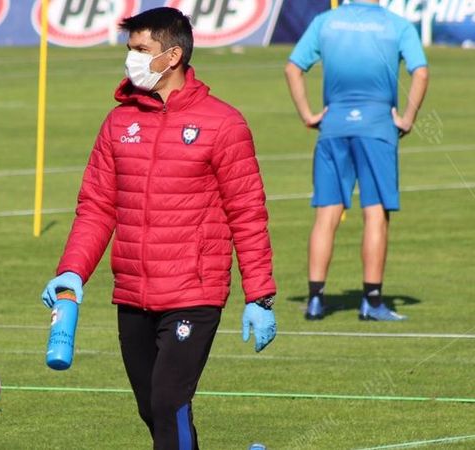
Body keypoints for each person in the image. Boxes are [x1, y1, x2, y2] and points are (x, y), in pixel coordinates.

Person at [40, 7, 277, 449]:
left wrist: (259, 295)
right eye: (129, 50)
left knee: (169, 401)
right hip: (132, 293)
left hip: (194, 291)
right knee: (153, 408)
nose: (130, 59)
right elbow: (95, 207)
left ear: (172, 56)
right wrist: (72, 270)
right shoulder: (117, 122)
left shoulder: (223, 124)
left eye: (140, 50)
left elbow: (247, 212)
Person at [284, 0, 428, 321]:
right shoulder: (397, 24)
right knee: (375, 213)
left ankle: (316, 301)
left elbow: (292, 68)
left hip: (334, 126)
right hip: (378, 127)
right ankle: (372, 301)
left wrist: (308, 114)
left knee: (326, 213)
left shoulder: (326, 22)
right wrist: (407, 118)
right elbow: (420, 72)